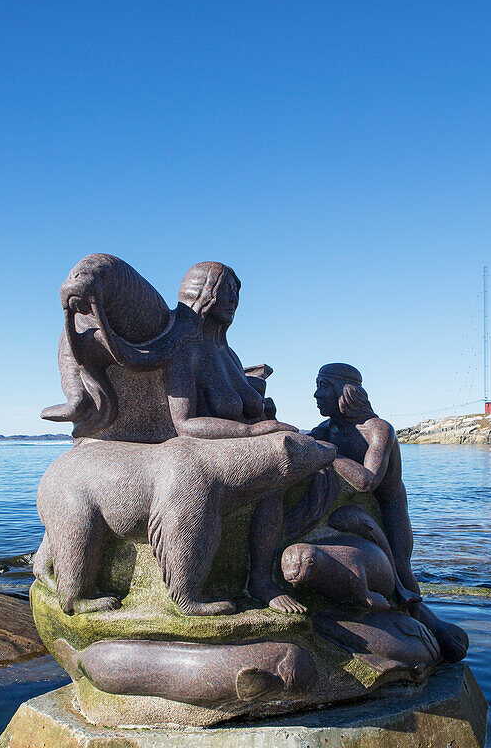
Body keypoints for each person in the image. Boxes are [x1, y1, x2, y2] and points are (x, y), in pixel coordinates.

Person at [165, 261, 307, 613]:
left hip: (242, 441)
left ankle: (300, 559)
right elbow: (183, 422)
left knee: (318, 458)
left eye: (237, 293)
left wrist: (264, 411)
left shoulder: (228, 353)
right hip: (199, 453)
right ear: (202, 292)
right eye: (225, 290)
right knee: (277, 473)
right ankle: (261, 579)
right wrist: (250, 430)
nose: (234, 300)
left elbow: (248, 406)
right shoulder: (185, 350)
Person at [309, 362, 468, 661]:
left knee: (400, 569)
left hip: (388, 510)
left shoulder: (377, 429)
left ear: (344, 393)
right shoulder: (325, 430)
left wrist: (326, 453)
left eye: (322, 387)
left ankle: (420, 624)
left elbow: (368, 480)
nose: (316, 395)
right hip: (353, 509)